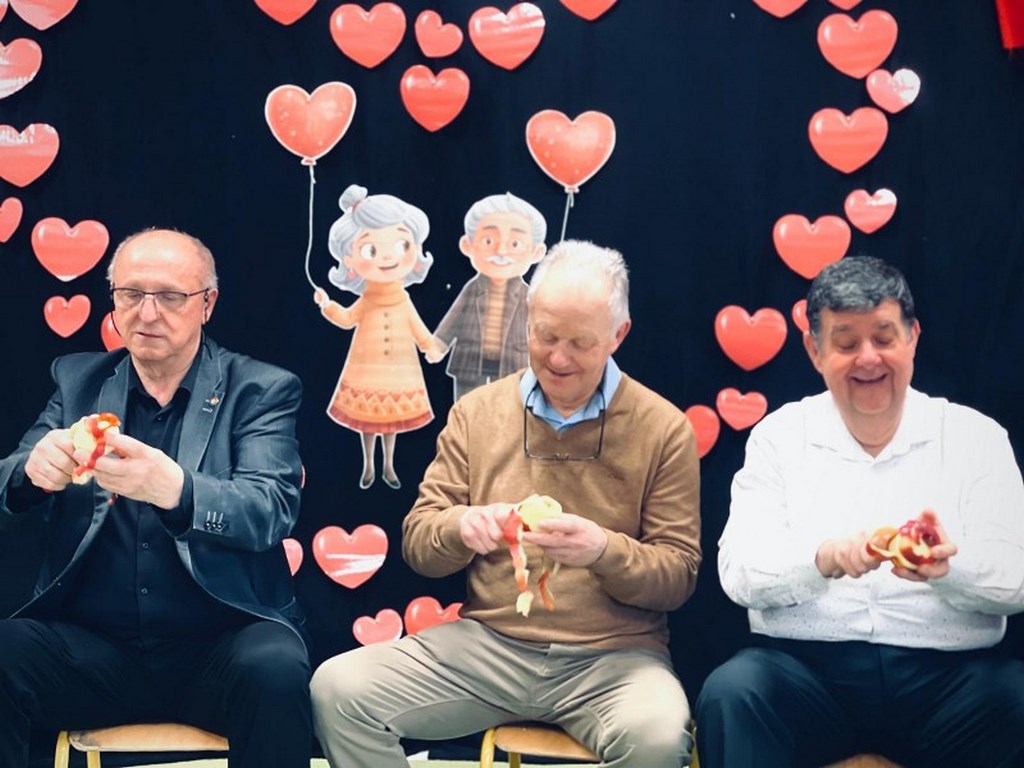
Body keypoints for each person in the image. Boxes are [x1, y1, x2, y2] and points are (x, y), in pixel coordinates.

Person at [311, 240, 702, 768]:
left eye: (580, 343)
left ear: (618, 335)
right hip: (489, 646)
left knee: (655, 738)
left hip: (614, 659)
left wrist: (603, 551)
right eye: (545, 336)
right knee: (339, 689)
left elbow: (678, 577)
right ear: (527, 320)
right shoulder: (477, 414)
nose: (558, 358)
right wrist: (460, 528)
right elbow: (419, 545)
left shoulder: (663, 428)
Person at [0, 229, 312, 768]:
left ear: (207, 304)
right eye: (130, 294)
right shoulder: (78, 380)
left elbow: (270, 508)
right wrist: (30, 473)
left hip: (218, 644)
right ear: (114, 300)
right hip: (94, 650)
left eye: (170, 296)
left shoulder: (259, 389)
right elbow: (10, 480)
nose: (147, 313)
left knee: (276, 666)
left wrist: (177, 491)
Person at [695, 256, 1024, 768]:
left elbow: (1016, 579)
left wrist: (947, 568)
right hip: (809, 675)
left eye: (884, 338)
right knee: (735, 691)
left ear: (912, 338)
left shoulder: (976, 437)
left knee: (1016, 699)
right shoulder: (779, 437)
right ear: (815, 350)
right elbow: (739, 574)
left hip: (948, 683)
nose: (868, 358)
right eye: (846, 343)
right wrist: (822, 559)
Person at [314, 184, 442, 490]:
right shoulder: (367, 299)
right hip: (366, 369)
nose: (387, 257)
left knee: (390, 422)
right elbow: (347, 319)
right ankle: (369, 465)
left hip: (399, 370)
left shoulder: (402, 299)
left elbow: (417, 326)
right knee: (367, 421)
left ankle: (388, 466)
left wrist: (430, 346)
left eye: (401, 245)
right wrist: (327, 305)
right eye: (370, 249)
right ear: (349, 259)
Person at [429, 192, 547, 401]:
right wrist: (439, 344)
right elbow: (454, 319)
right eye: (489, 240)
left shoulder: (527, 295)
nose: (501, 251)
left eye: (515, 244)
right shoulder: (472, 289)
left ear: (536, 252)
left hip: (512, 362)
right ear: (467, 245)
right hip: (469, 360)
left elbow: (540, 326)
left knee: (507, 407)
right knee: (467, 406)